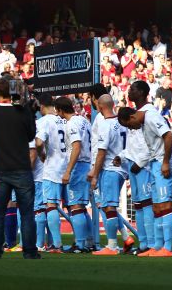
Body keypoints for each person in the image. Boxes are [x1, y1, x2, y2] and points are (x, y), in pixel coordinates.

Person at [118, 80, 172, 257]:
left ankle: (167, 248)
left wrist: (166, 162)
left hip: (162, 163)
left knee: (165, 205)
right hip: (155, 163)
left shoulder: (151, 116)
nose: (132, 128)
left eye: (129, 125)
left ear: (132, 118)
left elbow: (169, 136)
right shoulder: (143, 120)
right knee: (157, 207)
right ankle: (157, 247)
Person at [0, 77, 39, 259]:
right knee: (27, 213)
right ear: (15, 91)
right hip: (21, 167)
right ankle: (30, 251)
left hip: (1, 168)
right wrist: (27, 109)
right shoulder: (23, 112)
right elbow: (31, 134)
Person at [90, 94, 129, 255]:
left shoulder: (105, 125)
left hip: (110, 169)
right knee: (108, 206)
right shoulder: (122, 123)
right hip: (122, 168)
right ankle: (122, 240)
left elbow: (101, 152)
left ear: (99, 107)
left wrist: (94, 175)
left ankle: (112, 246)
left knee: (109, 206)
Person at [54, 96, 92, 253]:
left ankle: (79, 244)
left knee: (75, 206)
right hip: (87, 163)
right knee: (81, 207)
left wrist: (68, 170)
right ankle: (89, 242)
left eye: (57, 111)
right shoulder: (84, 120)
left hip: (78, 165)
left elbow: (76, 146)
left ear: (61, 110)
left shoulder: (71, 124)